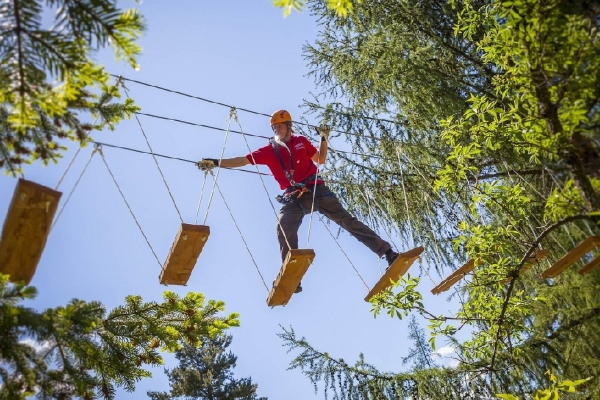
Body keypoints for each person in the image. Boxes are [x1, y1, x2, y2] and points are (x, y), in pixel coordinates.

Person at [198, 110, 399, 293]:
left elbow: (319, 159)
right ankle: (292, 275)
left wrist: (323, 138)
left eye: (280, 125)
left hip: (317, 190)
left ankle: (388, 253)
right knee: (283, 227)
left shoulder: (301, 141)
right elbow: (241, 160)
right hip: (294, 197)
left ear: (289, 126)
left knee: (348, 221)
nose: (277, 129)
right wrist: (216, 163)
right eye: (274, 127)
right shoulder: (268, 151)